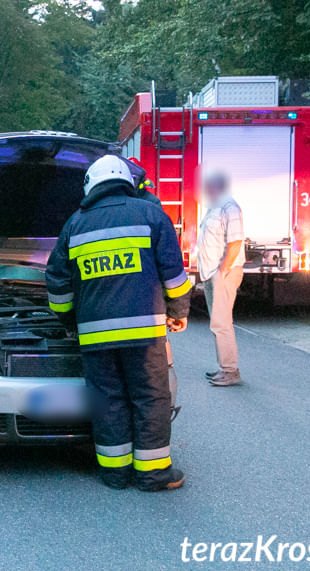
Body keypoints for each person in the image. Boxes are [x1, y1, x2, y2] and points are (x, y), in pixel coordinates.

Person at [46, 155, 192, 492]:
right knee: (150, 398)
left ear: (90, 185)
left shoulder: (75, 225)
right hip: (144, 336)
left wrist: (69, 319)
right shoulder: (152, 215)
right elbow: (175, 275)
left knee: (108, 401)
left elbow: (57, 283)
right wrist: (178, 311)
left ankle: (115, 474)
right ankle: (153, 474)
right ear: (127, 181)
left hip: (96, 337)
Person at [197, 171, 245, 386]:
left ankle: (230, 370)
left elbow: (235, 242)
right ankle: (224, 367)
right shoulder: (214, 207)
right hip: (211, 273)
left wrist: (222, 271)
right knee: (218, 323)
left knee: (221, 323)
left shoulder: (230, 208)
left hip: (222, 273)